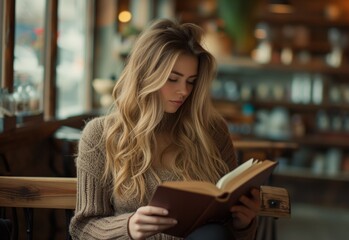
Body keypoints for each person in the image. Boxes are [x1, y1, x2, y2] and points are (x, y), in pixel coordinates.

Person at [69, 18, 259, 240]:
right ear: (144, 76)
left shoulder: (212, 131)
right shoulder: (100, 135)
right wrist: (128, 227)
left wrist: (244, 222)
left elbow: (229, 228)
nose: (184, 91)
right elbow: (83, 228)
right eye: (173, 79)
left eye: (191, 81)